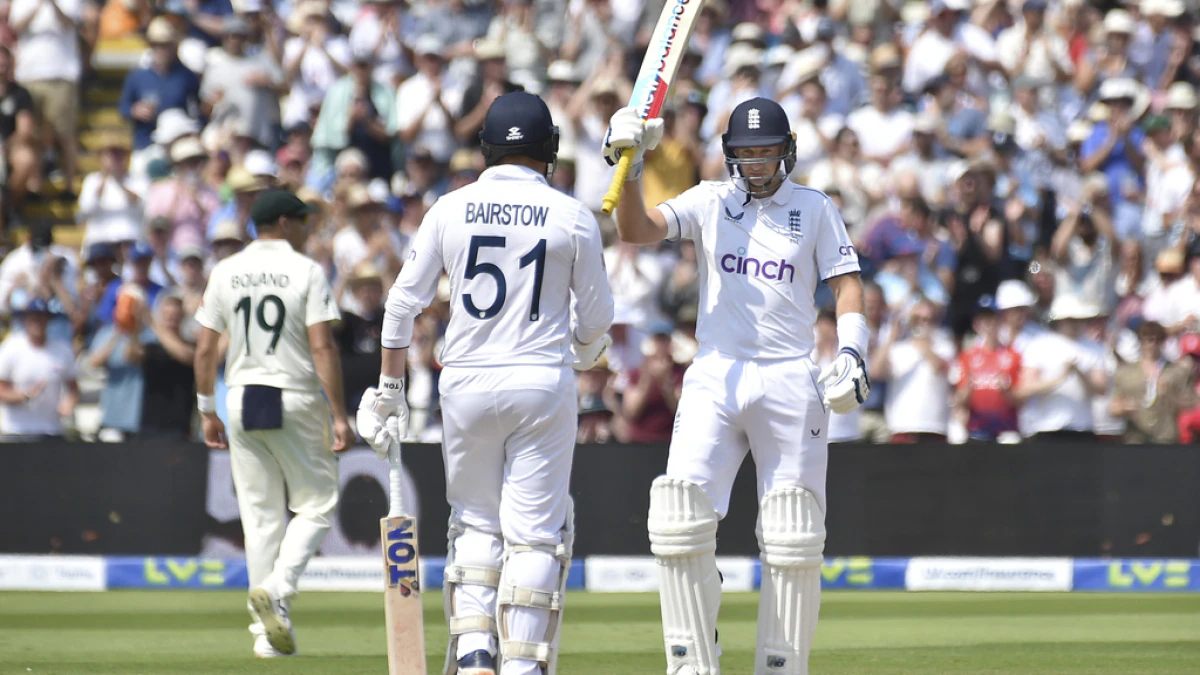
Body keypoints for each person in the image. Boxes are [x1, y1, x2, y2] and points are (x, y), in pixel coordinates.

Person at [605, 96, 868, 674]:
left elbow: (847, 283)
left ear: (787, 151)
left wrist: (852, 350)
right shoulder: (710, 200)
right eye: (746, 154)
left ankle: (782, 667)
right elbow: (636, 229)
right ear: (730, 154)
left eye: (766, 153)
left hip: (789, 373)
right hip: (716, 370)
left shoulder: (815, 207)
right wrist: (632, 165)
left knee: (794, 530)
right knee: (678, 515)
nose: (756, 164)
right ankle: (692, 663)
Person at [356, 91, 613, 675]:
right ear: (549, 148)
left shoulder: (450, 208)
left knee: (474, 523)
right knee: (534, 536)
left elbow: (400, 307)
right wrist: (584, 348)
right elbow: (597, 321)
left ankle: (475, 655)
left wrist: (391, 390)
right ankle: (521, 665)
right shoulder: (571, 214)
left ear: (485, 148)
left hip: (466, 384)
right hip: (540, 382)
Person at [193, 188, 353, 658]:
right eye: (302, 221)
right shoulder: (306, 270)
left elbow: (205, 348)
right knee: (317, 504)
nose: (307, 229)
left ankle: (266, 634)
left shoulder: (226, 270)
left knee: (260, 518)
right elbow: (322, 346)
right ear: (284, 223)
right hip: (293, 394)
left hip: (242, 398)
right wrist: (339, 414)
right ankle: (279, 589)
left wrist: (206, 409)